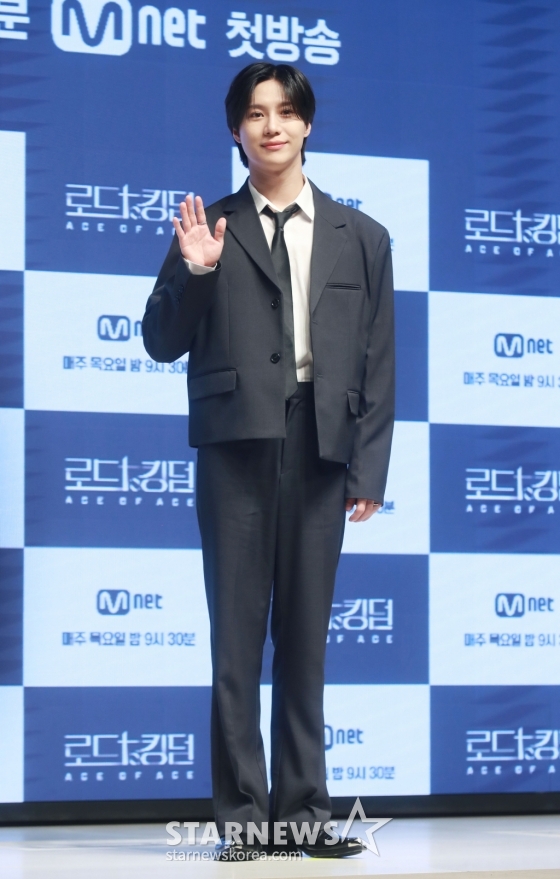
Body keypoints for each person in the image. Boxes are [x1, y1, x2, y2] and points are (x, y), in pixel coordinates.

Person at [142, 62, 395, 860]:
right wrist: (196, 270)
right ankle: (245, 823)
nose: (272, 125)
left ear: (307, 124)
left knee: (305, 642)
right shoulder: (208, 226)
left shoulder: (363, 236)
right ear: (236, 130)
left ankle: (305, 816)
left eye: (286, 111)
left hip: (322, 448)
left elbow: (379, 360)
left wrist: (369, 469)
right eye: (255, 113)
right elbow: (159, 340)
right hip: (234, 449)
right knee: (236, 645)